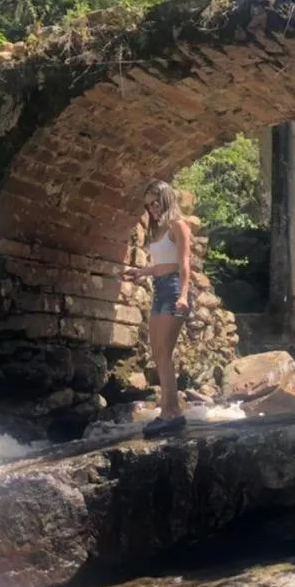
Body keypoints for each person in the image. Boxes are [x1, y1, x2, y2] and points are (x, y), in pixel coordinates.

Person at [124, 180, 194, 436]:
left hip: (175, 289)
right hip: (160, 290)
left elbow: (184, 264)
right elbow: (162, 264)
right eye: (148, 205)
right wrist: (141, 272)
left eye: (155, 203)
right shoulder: (158, 229)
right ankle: (170, 410)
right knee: (157, 353)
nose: (152, 209)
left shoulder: (179, 225)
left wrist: (184, 296)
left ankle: (171, 412)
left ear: (166, 199)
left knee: (164, 352)